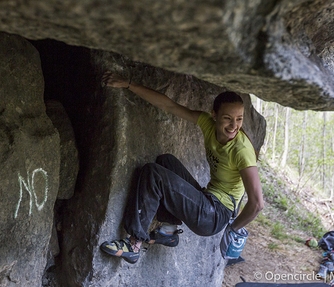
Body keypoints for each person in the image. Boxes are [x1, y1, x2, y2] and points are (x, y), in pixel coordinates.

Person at [99, 71, 264, 264]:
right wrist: (129, 84)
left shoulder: (241, 150)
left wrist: (233, 228)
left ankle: (133, 243)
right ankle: (168, 231)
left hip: (214, 215)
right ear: (214, 115)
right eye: (228, 118)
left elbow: (257, 203)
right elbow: (168, 105)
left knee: (153, 174)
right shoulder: (208, 124)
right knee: (165, 161)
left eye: (239, 119)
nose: (234, 125)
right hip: (207, 199)